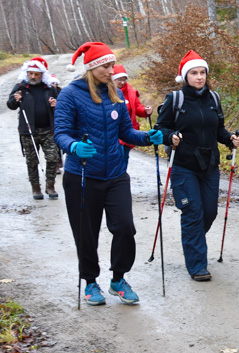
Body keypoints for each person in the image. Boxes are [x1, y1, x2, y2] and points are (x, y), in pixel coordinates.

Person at [53, 42, 163, 305]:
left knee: (125, 227)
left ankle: (118, 279)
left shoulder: (115, 94)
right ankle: (90, 282)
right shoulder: (70, 95)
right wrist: (75, 146)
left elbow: (126, 132)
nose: (112, 70)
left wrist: (148, 137)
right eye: (106, 66)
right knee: (86, 233)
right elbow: (61, 133)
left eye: (112, 65)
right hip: (81, 175)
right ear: (92, 68)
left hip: (115, 174)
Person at [155, 50, 239, 282]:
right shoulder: (175, 100)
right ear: (185, 76)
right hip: (184, 165)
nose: (199, 77)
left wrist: (230, 139)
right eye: (194, 73)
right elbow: (159, 129)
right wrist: (170, 136)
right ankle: (197, 265)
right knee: (193, 213)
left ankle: (192, 241)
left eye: (202, 72)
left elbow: (218, 130)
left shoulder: (214, 98)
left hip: (210, 165)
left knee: (209, 212)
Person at [7, 57, 62, 199]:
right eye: (31, 73)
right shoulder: (21, 87)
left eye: (36, 74)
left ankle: (50, 185)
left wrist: (56, 105)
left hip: (48, 130)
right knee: (32, 161)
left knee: (53, 158)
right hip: (28, 131)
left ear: (42, 75)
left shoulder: (49, 88)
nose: (33, 76)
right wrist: (15, 99)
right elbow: (11, 105)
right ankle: (35, 188)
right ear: (27, 73)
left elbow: (62, 106)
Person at [112, 64, 153, 168]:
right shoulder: (108, 92)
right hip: (113, 133)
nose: (122, 82)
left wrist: (145, 110)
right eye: (119, 79)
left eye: (124, 79)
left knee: (124, 158)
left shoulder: (130, 92)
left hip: (127, 132)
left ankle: (120, 179)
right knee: (116, 158)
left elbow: (137, 107)